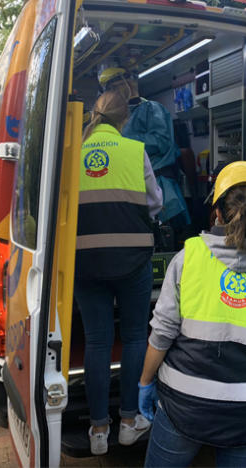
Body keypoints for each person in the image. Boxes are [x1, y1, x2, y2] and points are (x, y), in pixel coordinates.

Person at [138, 161, 246, 467]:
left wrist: (145, 382)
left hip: (184, 407)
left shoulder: (189, 257)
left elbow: (162, 334)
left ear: (218, 213)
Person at [76, 89, 163, 455]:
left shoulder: (73, 154)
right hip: (132, 262)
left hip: (85, 263)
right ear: (124, 118)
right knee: (132, 338)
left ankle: (98, 431)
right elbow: (155, 203)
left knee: (96, 341)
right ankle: (129, 422)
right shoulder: (134, 151)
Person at [98, 67, 189, 232]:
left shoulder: (152, 109)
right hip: (133, 189)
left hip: (163, 193)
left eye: (113, 88)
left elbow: (161, 141)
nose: (111, 94)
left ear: (128, 83)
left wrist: (121, 143)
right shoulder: (120, 116)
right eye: (108, 90)